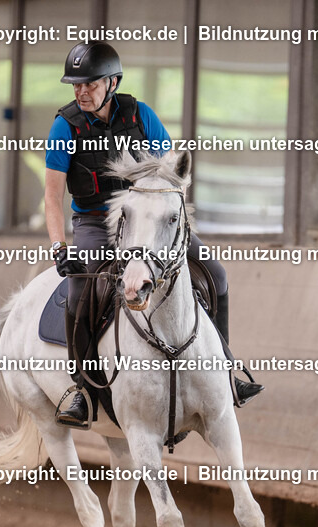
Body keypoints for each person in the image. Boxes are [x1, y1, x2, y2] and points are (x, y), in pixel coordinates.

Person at [45, 41, 263, 428]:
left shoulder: (141, 116)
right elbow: (52, 196)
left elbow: (172, 176)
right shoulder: (65, 126)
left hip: (145, 220)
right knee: (81, 289)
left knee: (216, 275)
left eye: (89, 84)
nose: (80, 92)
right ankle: (79, 388)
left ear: (112, 83)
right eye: (75, 85)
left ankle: (226, 369)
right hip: (96, 222)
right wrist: (60, 247)